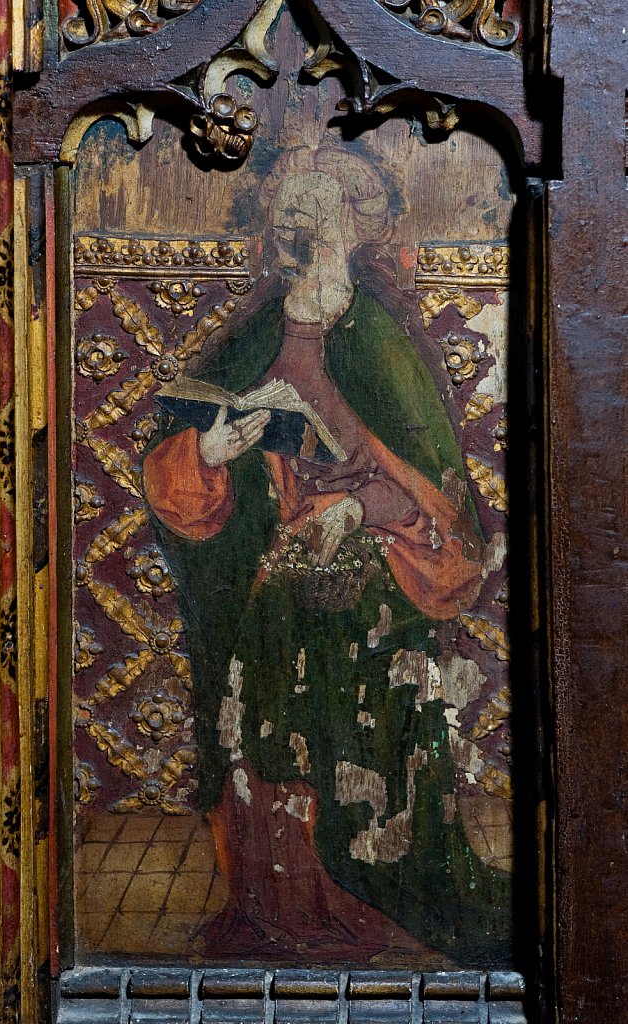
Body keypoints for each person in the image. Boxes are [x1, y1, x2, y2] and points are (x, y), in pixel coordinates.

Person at [142, 146, 512, 966]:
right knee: (268, 731)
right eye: (285, 214)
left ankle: (370, 898)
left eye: (312, 213)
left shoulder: (377, 336)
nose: (294, 228)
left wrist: (358, 506)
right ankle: (283, 912)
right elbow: (175, 465)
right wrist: (213, 448)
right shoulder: (255, 338)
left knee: (361, 742)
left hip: (375, 580)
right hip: (277, 578)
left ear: (350, 225)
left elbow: (437, 492)